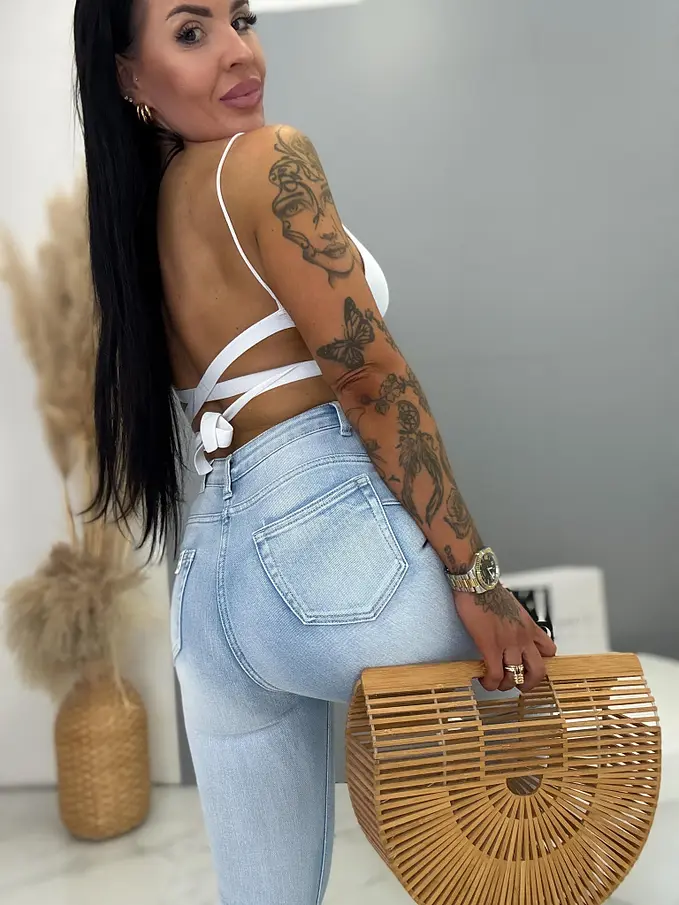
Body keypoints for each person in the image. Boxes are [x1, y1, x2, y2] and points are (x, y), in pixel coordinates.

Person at [73, 1, 557, 903]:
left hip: (210, 598)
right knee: (534, 818)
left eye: (241, 18)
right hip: (331, 561)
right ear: (130, 77)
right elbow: (368, 377)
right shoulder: (267, 160)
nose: (238, 52)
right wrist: (479, 576)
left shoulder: (138, 223)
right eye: (191, 32)